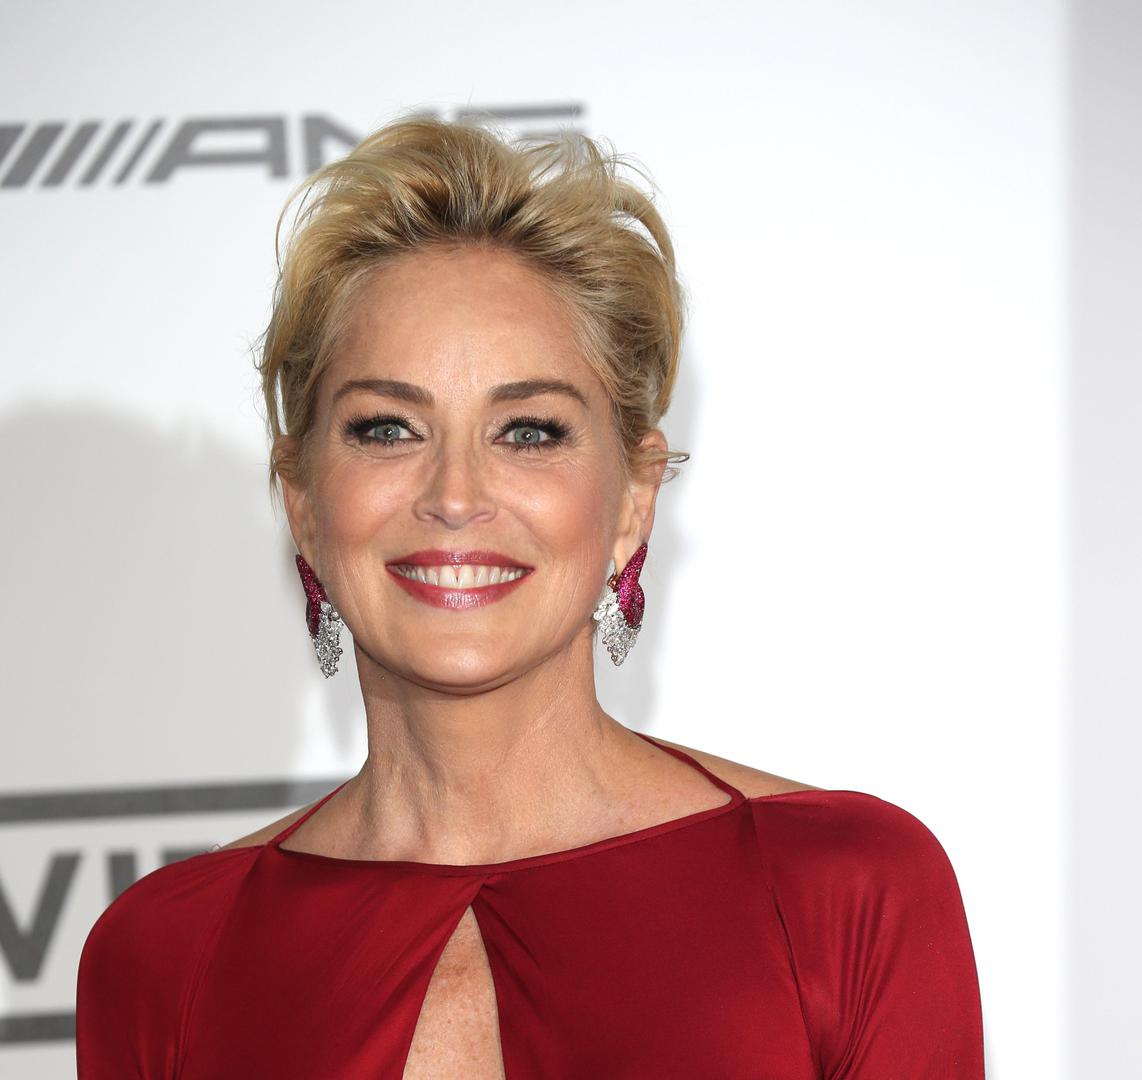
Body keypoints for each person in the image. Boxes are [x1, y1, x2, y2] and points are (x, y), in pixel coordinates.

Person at [75, 115, 985, 1078]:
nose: (455, 495)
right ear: (301, 501)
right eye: (386, 428)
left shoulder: (839, 892)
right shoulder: (168, 954)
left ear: (633, 499)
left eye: (530, 431)